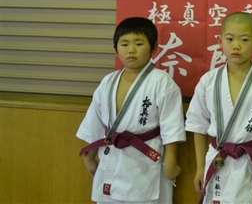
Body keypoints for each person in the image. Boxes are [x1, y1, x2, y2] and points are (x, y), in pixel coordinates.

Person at [77, 17, 186, 203]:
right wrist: (90, 156)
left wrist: (171, 160)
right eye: (125, 44)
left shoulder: (162, 82)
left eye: (139, 43)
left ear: (154, 48)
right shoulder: (108, 81)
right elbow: (95, 121)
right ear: (115, 49)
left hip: (144, 159)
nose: (131, 50)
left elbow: (172, 125)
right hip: (112, 156)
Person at [185, 12, 252, 204]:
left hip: (249, 164)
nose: (236, 46)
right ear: (220, 41)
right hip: (216, 158)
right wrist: (200, 167)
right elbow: (198, 125)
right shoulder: (208, 81)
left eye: (244, 39)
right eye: (230, 39)